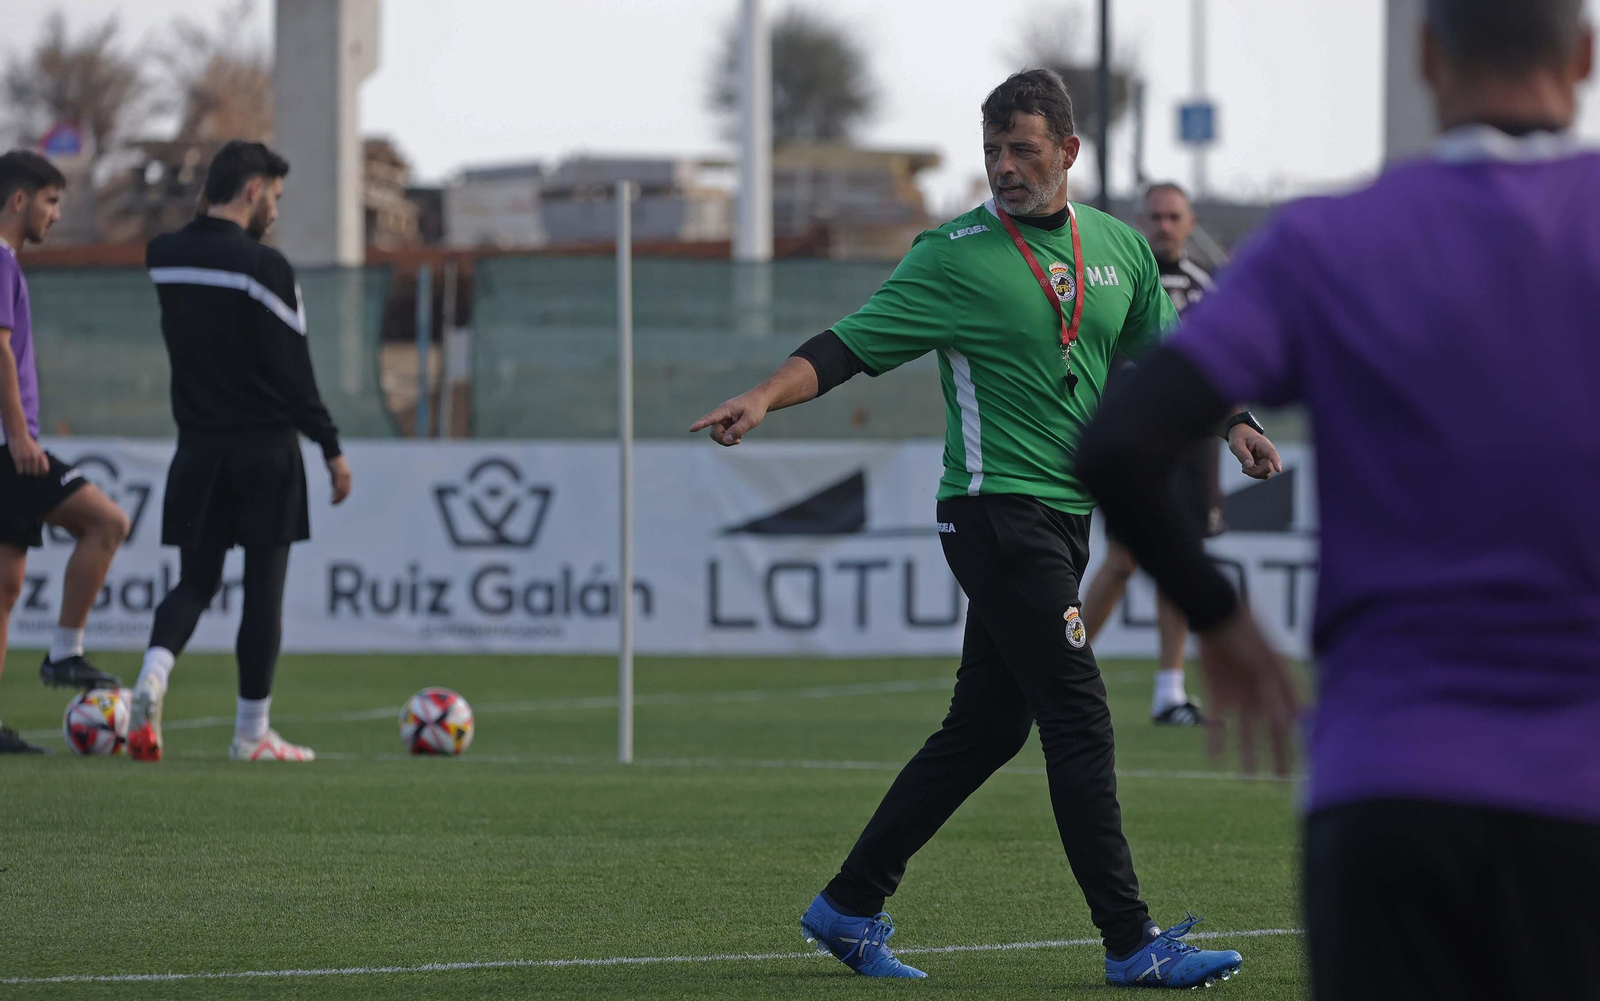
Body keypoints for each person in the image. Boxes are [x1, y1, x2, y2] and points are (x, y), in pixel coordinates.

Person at [691, 70, 1277, 989]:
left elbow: (1177, 362)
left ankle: (847, 905)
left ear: (1069, 153)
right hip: (993, 510)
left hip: (1062, 513)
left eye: (1023, 150)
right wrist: (764, 396)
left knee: (985, 729)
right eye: (993, 150)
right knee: (1079, 717)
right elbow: (851, 344)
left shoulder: (1119, 249)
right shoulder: (953, 253)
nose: (1003, 167)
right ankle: (1132, 942)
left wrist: (1235, 419)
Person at [1078, 1, 1600, 997]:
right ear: (1582, 56)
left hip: (1382, 784)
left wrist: (1221, 616)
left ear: (1423, 56)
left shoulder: (1325, 241)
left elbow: (1114, 443)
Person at [127, 140, 352, 764]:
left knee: (195, 582)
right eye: (275, 197)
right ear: (252, 190)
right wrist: (330, 446)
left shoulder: (164, 256)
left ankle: (153, 672)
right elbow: (294, 373)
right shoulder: (266, 268)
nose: (275, 212)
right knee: (262, 592)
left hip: (197, 450)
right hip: (264, 455)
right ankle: (251, 734)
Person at [1079, 183, 1231, 726]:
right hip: (1130, 441)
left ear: (1190, 225)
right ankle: (1064, 671)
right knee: (1121, 560)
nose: (1165, 226)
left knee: (1180, 560)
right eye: (1156, 216)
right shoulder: (1114, 280)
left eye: (1175, 217)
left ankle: (1169, 691)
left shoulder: (1209, 288)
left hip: (1190, 444)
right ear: (1139, 221)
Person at [0, 150, 131, 754]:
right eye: (51, 202)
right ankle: (65, 652)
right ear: (20, 200)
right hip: (10, 445)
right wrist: (22, 432)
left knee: (5, 581)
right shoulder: (1, 260)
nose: (55, 215)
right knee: (106, 522)